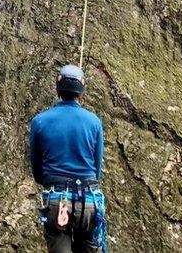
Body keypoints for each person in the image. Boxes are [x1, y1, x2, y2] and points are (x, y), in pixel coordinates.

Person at [29, 65, 107, 253]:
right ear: (81, 90)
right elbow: (96, 170)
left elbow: (37, 170)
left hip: (56, 201)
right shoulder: (94, 122)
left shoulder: (40, 121)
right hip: (89, 202)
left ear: (58, 86)